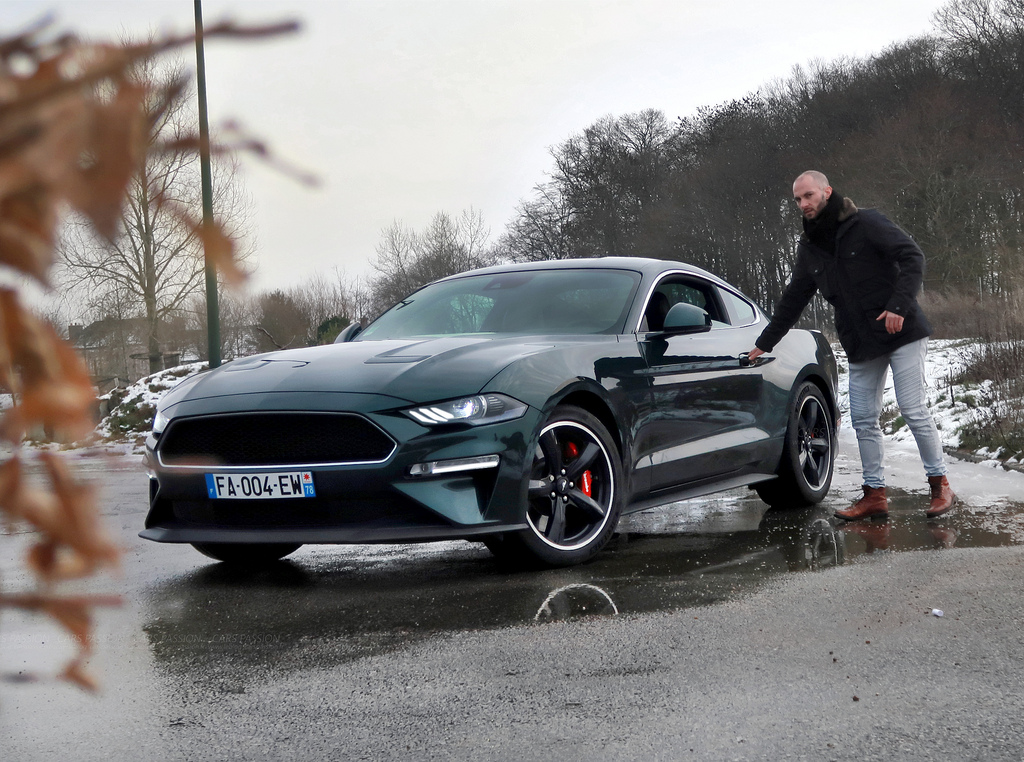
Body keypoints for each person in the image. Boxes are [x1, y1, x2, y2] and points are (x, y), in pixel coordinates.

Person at [748, 170, 957, 521]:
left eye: (809, 196)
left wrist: (899, 306)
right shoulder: (810, 246)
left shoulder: (866, 222)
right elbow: (794, 298)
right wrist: (763, 343)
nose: (803, 204)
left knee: (912, 408)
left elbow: (913, 257)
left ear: (826, 192)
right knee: (862, 419)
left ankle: (940, 485)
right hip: (860, 341)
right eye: (798, 200)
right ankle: (874, 495)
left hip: (901, 330)